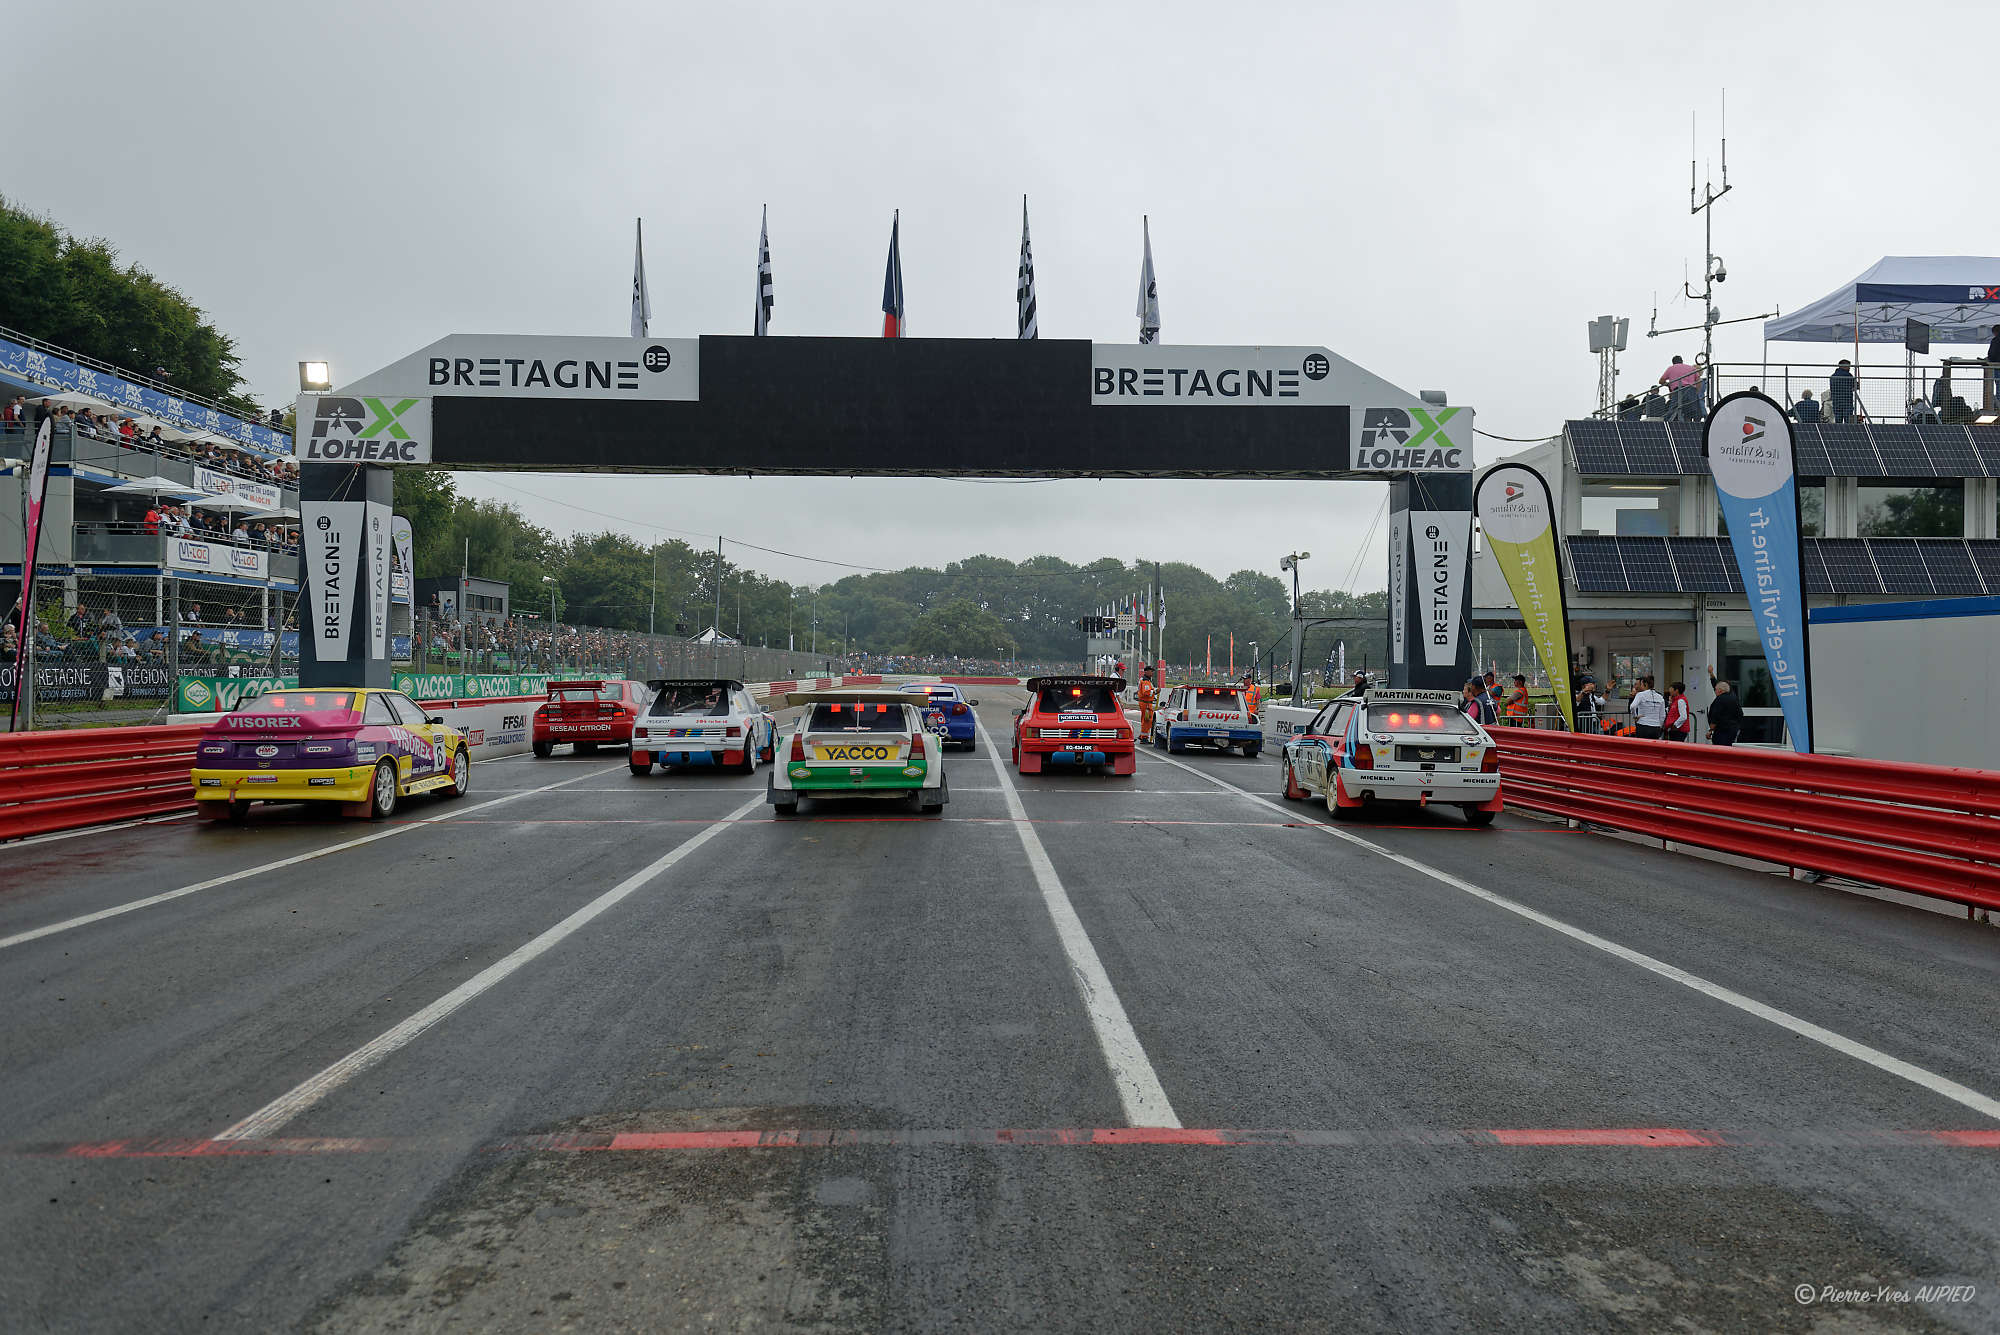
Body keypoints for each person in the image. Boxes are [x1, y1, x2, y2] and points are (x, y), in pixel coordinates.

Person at [1659, 355, 1702, 420]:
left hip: (1677, 391)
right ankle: (1694, 424)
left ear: (1673, 362)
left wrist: (1669, 385)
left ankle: (1667, 424)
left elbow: (1661, 381)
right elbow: (1698, 380)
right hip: (1691, 390)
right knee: (1692, 410)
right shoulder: (1691, 368)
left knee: (1673, 410)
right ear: (1682, 361)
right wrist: (1697, 391)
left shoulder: (1671, 368)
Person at [1706, 678, 1744, 746]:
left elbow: (1715, 716)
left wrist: (1710, 730)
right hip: (1733, 731)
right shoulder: (1734, 698)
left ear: (1720, 690)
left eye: (1716, 689)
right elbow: (1740, 714)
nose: (1715, 691)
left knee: (1719, 750)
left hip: (1721, 732)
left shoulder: (1719, 699)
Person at [1628, 675, 1666, 739]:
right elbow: (1662, 716)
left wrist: (1635, 716)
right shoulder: (1660, 696)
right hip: (1656, 727)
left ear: (1645, 684)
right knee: (1653, 747)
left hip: (1643, 725)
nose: (1640, 685)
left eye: (1641, 684)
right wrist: (1659, 725)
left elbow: (1632, 706)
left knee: (1642, 747)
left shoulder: (1640, 694)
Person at [1136, 671, 1159, 739]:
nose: (1152, 673)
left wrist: (1154, 691)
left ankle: (1143, 735)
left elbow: (1148, 691)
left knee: (1146, 719)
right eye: (1151, 672)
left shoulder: (1145, 680)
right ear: (1146, 672)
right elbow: (1146, 692)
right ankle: (1144, 737)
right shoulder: (1145, 681)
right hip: (1146, 703)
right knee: (1147, 720)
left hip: (1146, 703)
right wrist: (1155, 691)